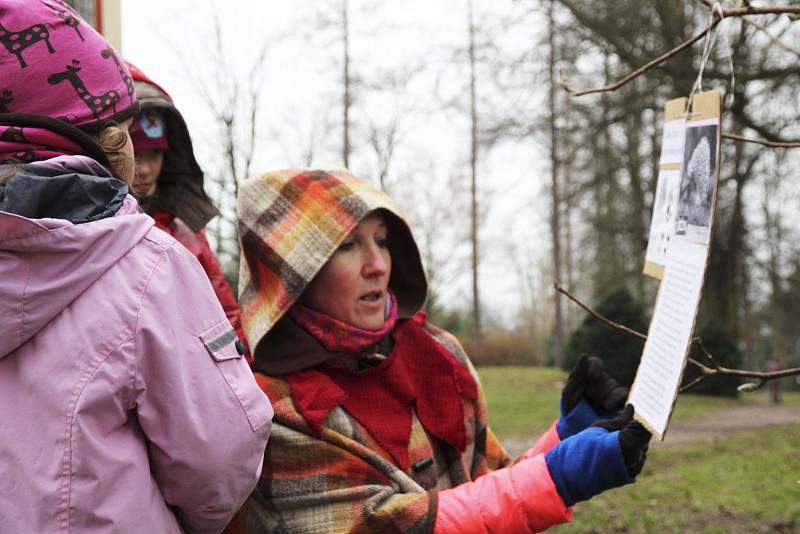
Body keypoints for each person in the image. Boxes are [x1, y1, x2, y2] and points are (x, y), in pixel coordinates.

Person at [230, 168, 651, 532]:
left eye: (381, 240)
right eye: (347, 245)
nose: (378, 264)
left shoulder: (435, 355)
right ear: (291, 276)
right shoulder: (272, 410)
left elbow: (486, 484)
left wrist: (565, 439)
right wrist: (559, 476)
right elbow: (392, 525)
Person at [0, 2, 272, 532]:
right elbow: (220, 461)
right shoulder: (150, 266)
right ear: (91, 142)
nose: (140, 164)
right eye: (123, 135)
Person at [126, 62, 250, 359]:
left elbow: (223, 311)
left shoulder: (184, 226)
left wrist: (242, 367)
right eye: (135, 153)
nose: (143, 169)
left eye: (153, 154)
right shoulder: (98, 223)